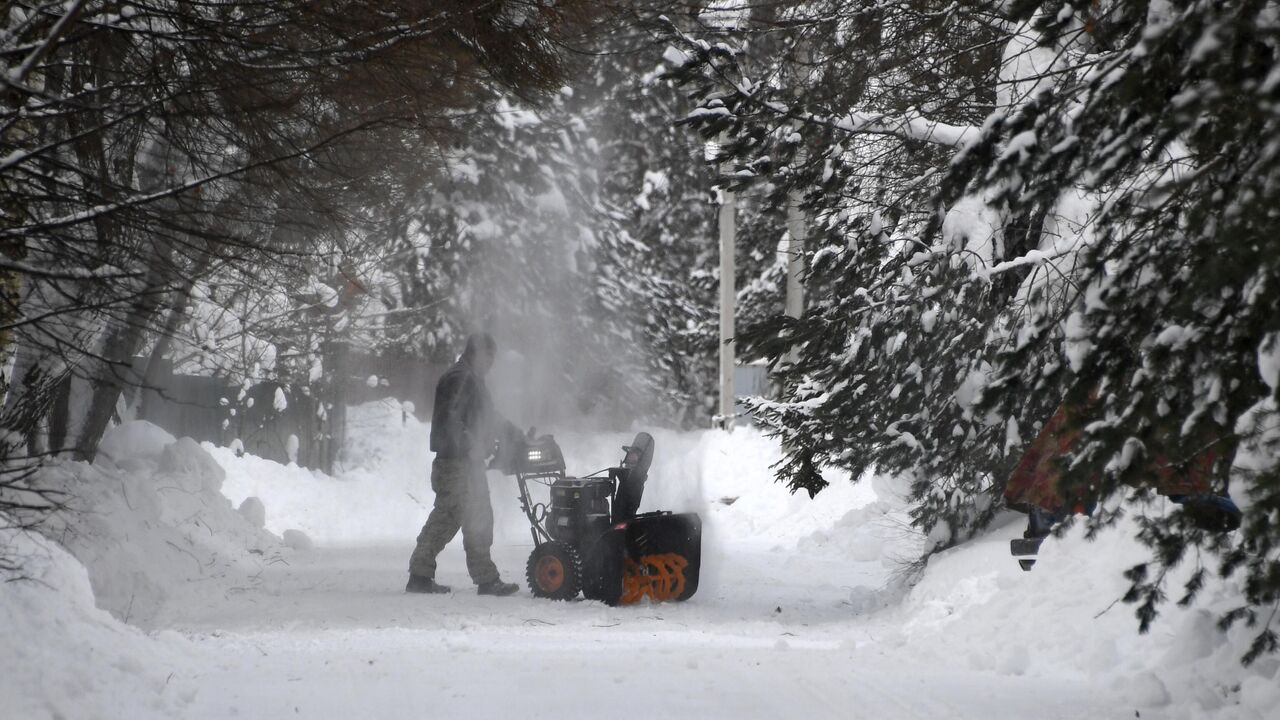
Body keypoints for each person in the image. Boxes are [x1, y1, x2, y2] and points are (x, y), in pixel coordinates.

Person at [406, 333, 520, 596]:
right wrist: (471, 444)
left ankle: (487, 579)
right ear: (476, 353)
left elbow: (489, 417)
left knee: (479, 517)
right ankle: (419, 575)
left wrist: (516, 435)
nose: (491, 363)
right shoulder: (459, 378)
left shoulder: (473, 380)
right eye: (489, 356)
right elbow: (451, 419)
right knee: (448, 516)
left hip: (469, 463)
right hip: (455, 462)